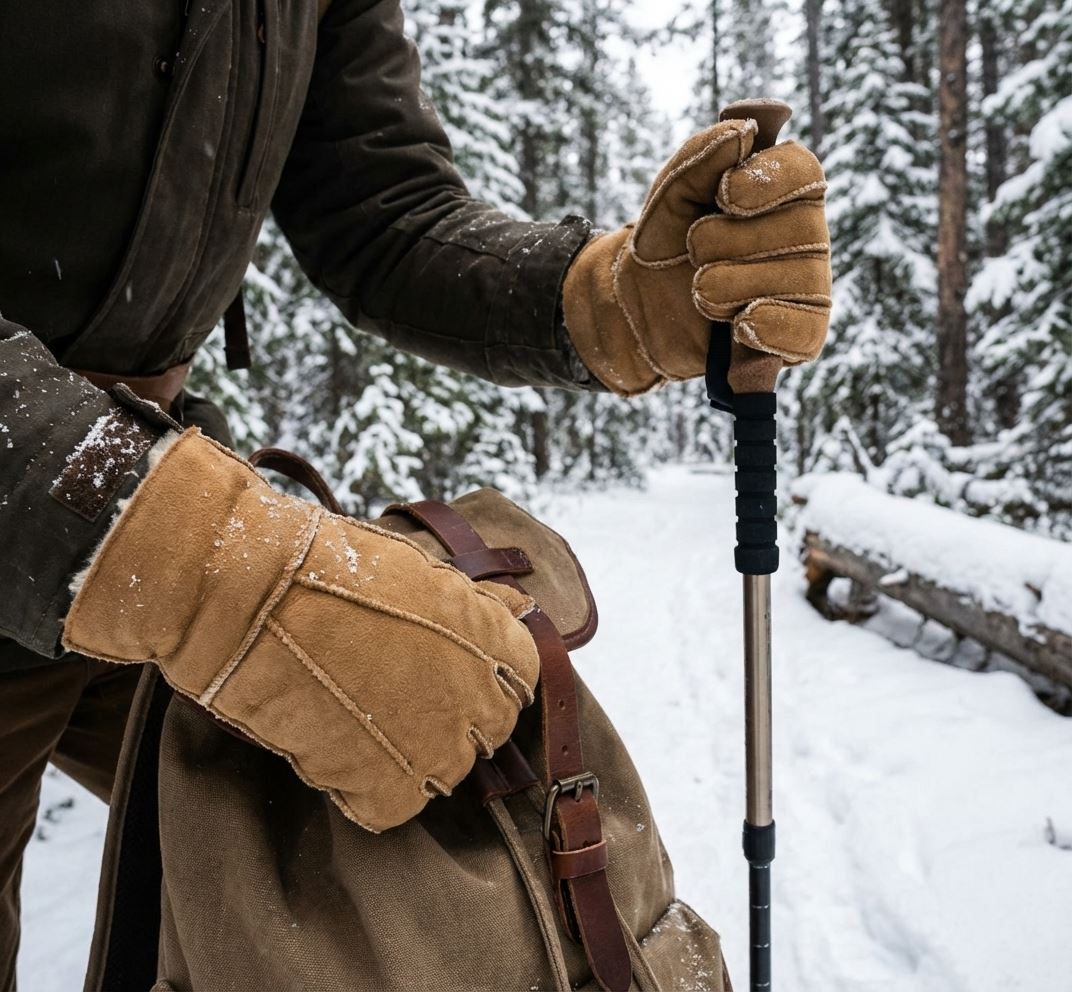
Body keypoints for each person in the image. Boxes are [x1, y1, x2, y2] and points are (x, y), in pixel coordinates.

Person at [0, 1, 831, 985]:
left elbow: (383, 214)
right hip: (89, 500)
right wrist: (200, 561)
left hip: (142, 490)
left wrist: (608, 300)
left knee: (417, 852)